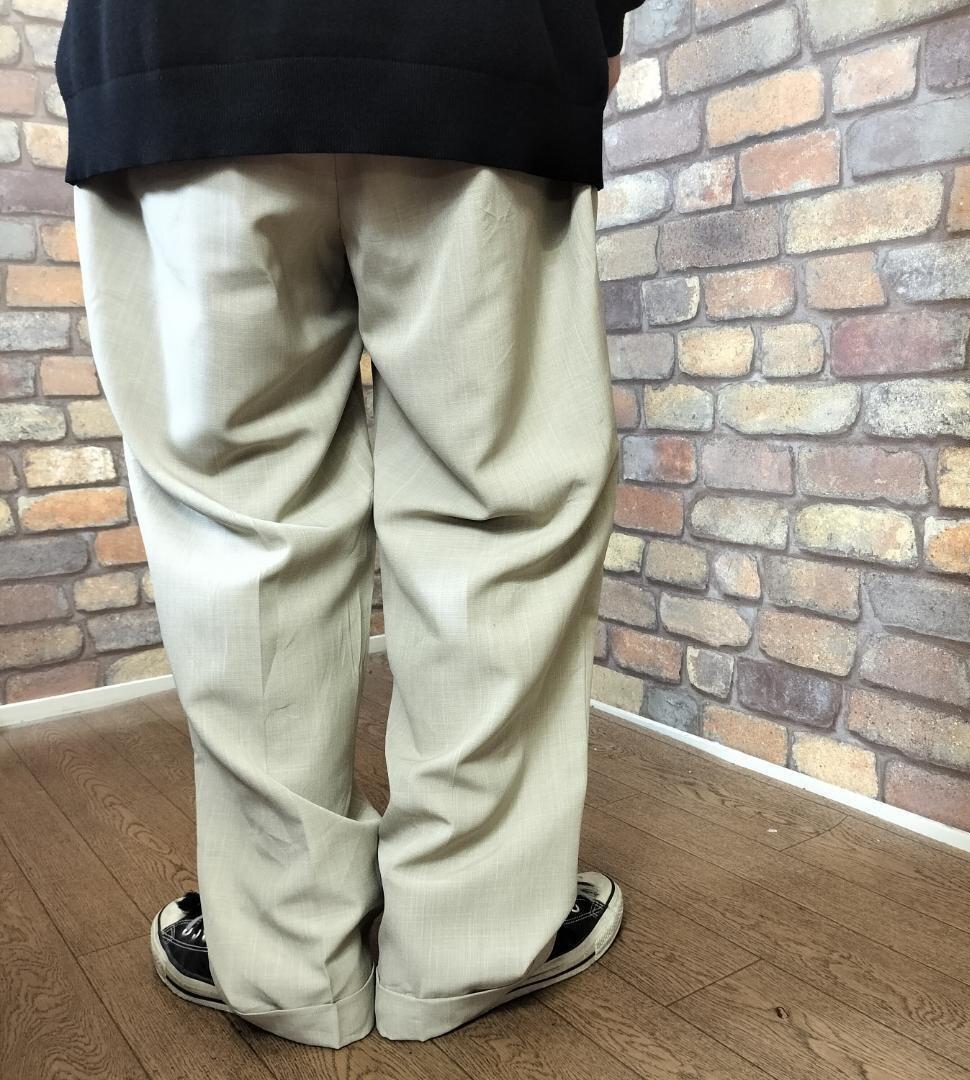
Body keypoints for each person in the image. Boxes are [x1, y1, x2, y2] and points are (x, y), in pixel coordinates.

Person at [56, 0, 643, 1048]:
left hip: (174, 50)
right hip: (482, 39)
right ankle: (465, 947)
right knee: (495, 517)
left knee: (239, 536)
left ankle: (288, 955)